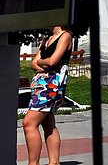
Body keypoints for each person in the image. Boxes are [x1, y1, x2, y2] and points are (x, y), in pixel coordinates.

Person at [23, 25, 73, 165]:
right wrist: (42, 64)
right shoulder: (47, 39)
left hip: (52, 84)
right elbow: (33, 63)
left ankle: (33, 163)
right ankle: (54, 162)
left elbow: (53, 61)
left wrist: (41, 63)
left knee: (29, 123)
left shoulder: (65, 36)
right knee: (48, 123)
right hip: (41, 84)